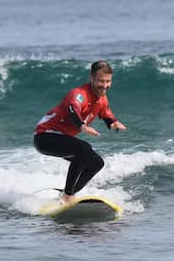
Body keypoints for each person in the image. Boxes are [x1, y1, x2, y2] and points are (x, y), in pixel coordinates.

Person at [34, 60, 127, 204]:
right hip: (45, 136)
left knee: (96, 163)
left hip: (61, 137)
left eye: (108, 81)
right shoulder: (79, 94)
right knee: (84, 149)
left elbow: (106, 114)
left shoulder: (102, 99)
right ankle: (68, 195)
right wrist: (82, 126)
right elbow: (73, 109)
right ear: (92, 78)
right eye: (101, 81)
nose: (105, 85)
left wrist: (113, 123)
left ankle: (65, 194)